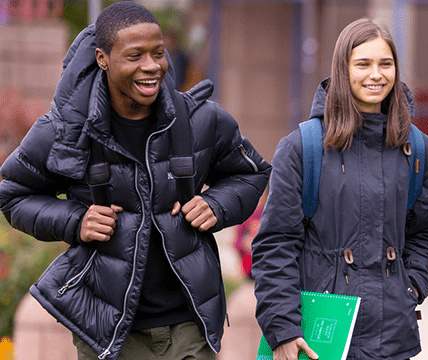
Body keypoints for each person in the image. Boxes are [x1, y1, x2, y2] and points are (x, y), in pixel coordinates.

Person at [0, 2, 271, 359]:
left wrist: (216, 205)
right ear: (103, 59)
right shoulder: (66, 130)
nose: (151, 66)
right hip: (112, 334)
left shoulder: (200, 119)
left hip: (190, 325)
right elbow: (13, 195)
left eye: (158, 53)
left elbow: (251, 172)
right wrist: (76, 220)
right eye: (135, 55)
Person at [252, 18, 428, 360]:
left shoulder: (418, 148)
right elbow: (276, 244)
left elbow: (423, 232)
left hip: (392, 336)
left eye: (386, 64)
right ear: (342, 69)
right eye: (363, 64)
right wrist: (283, 329)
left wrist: (409, 287)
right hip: (318, 334)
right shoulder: (302, 147)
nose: (376, 75)